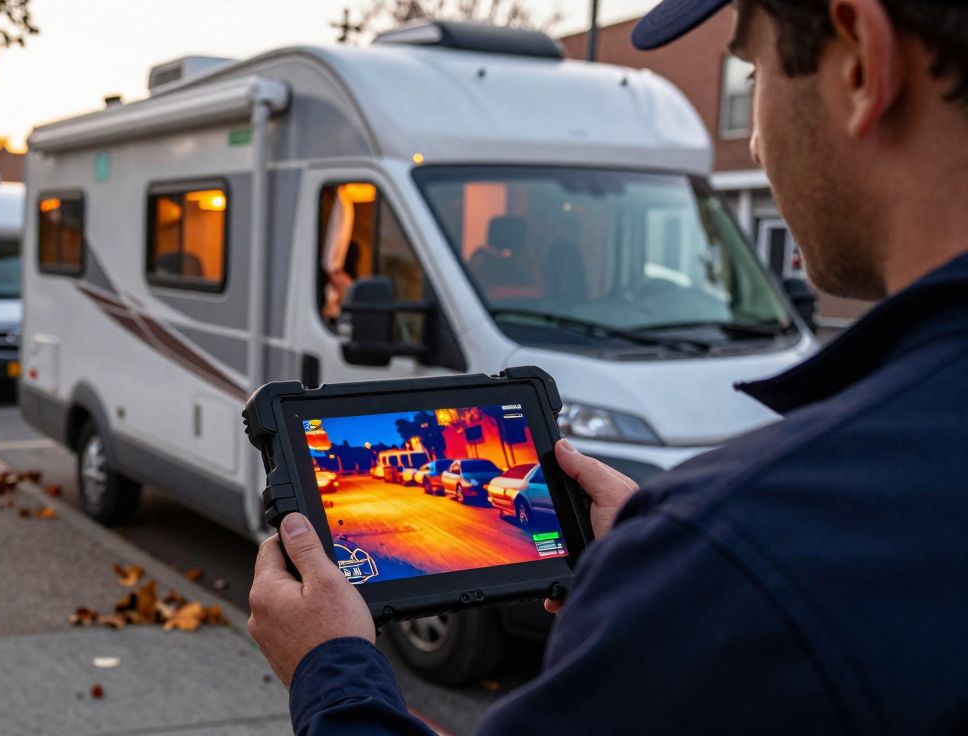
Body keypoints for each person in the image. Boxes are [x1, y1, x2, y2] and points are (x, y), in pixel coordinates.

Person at [247, 0, 968, 733]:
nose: (753, 142)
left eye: (752, 74)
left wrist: (329, 667)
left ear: (861, 60)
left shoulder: (752, 541)